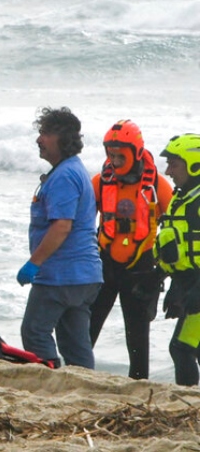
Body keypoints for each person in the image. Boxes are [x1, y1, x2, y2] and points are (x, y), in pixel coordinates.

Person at [17, 107, 103, 369]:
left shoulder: (65, 175)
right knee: (76, 344)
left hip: (62, 275)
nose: (39, 139)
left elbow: (62, 227)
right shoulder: (73, 170)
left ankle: (50, 379)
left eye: (46, 133)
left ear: (64, 139)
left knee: (34, 332)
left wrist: (34, 263)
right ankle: (84, 388)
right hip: (85, 276)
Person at [88, 120, 172, 380]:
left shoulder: (158, 186)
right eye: (110, 154)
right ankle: (75, 374)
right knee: (86, 329)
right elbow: (79, 224)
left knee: (137, 337)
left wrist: (164, 270)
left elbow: (176, 230)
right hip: (104, 265)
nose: (114, 160)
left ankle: (139, 384)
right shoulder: (99, 183)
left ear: (136, 152)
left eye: (119, 154)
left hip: (141, 269)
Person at [155, 134, 200, 386]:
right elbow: (180, 250)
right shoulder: (182, 198)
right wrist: (171, 286)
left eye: (174, 164)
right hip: (189, 283)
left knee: (181, 348)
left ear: (194, 163)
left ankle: (188, 406)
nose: (168, 171)